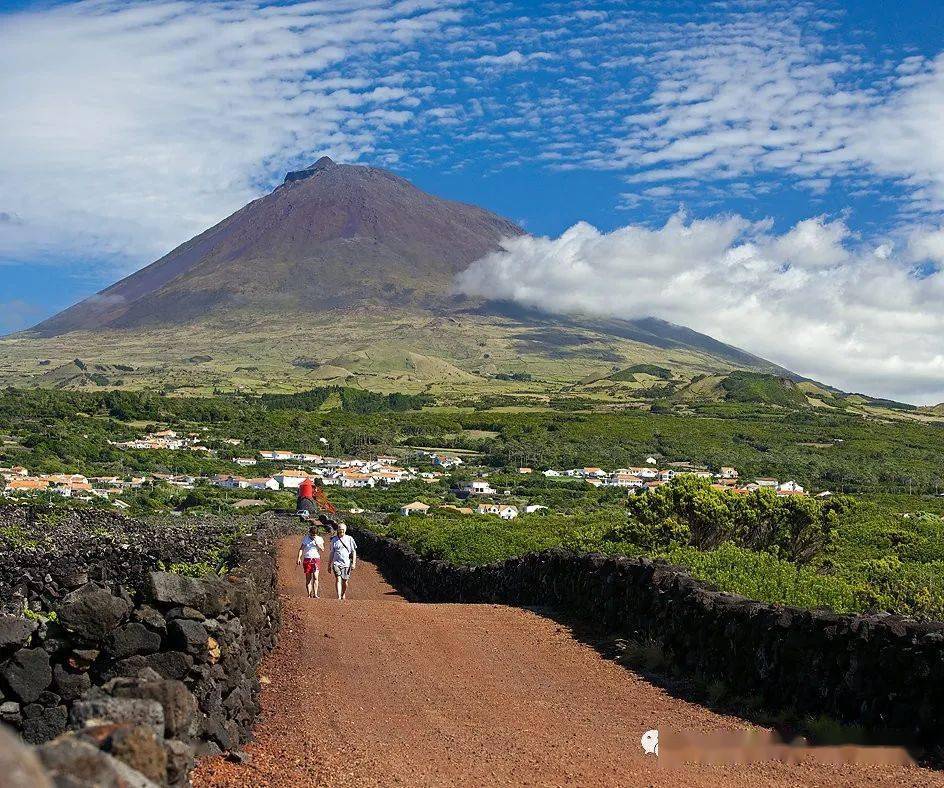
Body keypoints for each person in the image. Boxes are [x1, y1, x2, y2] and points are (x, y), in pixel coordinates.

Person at [329, 522, 357, 601]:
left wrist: (354, 563)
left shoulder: (349, 539)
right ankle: (338, 596)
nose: (341, 531)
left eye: (342, 530)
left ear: (345, 530)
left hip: (346, 564)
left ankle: (343, 593)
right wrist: (329, 564)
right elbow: (332, 553)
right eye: (340, 530)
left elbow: (353, 551)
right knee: (338, 579)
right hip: (336, 563)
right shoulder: (334, 540)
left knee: (345, 581)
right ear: (338, 530)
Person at [296, 525, 325, 598]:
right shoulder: (306, 538)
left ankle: (315, 594)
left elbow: (322, 549)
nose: (313, 536)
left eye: (314, 535)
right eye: (312, 534)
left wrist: (317, 544)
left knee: (315, 576)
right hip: (307, 558)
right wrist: (298, 558)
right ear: (310, 533)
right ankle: (309, 595)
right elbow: (301, 549)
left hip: (316, 558)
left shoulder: (319, 539)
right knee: (308, 578)